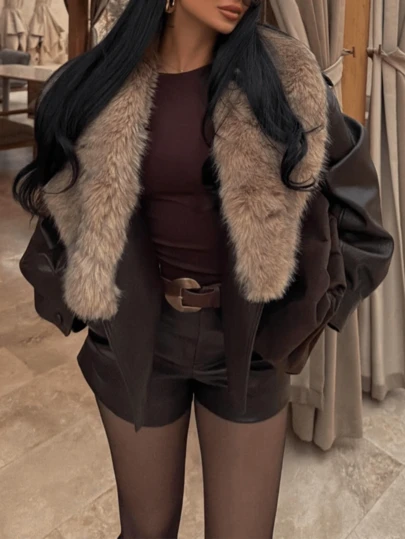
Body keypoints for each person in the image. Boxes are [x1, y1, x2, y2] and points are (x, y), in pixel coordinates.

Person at [13, 1, 393, 537]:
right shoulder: (93, 83)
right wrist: (82, 304)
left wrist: (306, 314)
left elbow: (362, 221)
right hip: (136, 340)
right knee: (145, 530)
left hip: (247, 343)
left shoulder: (287, 77)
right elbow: (57, 211)